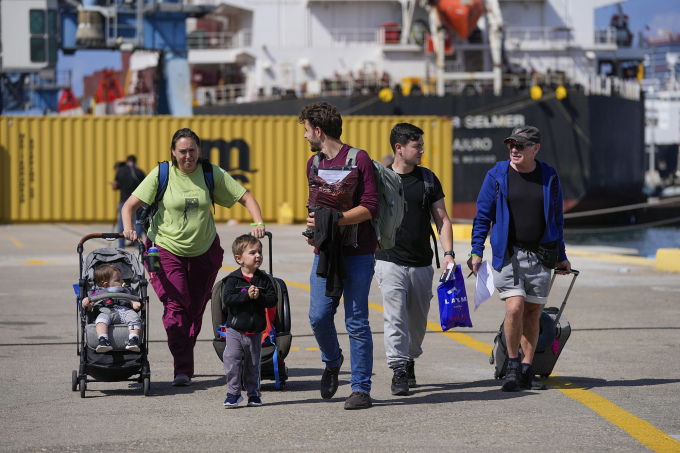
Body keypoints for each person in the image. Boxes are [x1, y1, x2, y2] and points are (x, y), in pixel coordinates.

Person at [121, 127, 266, 387]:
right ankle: (183, 368)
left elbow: (245, 197)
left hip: (204, 251)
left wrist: (258, 221)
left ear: (199, 150)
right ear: (173, 153)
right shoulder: (162, 173)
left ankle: (184, 359)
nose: (188, 156)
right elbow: (129, 205)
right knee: (176, 307)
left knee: (196, 309)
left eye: (192, 150)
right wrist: (128, 228)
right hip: (166, 250)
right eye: (182, 151)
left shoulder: (210, 172)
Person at [467, 125, 571, 392]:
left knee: (534, 313)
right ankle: (512, 366)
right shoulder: (497, 175)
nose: (514, 149)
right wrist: (476, 250)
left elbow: (557, 220)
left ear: (535, 148)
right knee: (514, 308)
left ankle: (527, 369)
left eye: (520, 145)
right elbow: (482, 216)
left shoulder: (549, 175)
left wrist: (561, 256)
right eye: (511, 144)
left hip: (541, 255)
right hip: (509, 253)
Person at [300, 101, 379, 410]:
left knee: (357, 321)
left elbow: (371, 206)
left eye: (306, 130)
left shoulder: (359, 159)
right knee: (318, 316)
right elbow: (313, 204)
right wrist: (314, 228)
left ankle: (360, 388)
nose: (305, 136)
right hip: (325, 253)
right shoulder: (313, 164)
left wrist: (331, 221)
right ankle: (333, 361)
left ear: (318, 130)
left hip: (359, 253)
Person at [375, 123, 455, 396]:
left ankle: (409, 358)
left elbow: (442, 219)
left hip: (422, 260)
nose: (422, 150)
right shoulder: (381, 179)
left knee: (418, 321)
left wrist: (448, 254)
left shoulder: (428, 179)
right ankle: (398, 369)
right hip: (388, 259)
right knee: (395, 317)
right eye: (416, 146)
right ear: (399, 148)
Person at [221, 234, 277, 408]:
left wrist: (259, 296)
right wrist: (246, 295)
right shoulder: (232, 280)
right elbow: (228, 300)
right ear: (239, 259)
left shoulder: (265, 280)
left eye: (259, 252)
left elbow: (272, 300)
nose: (258, 255)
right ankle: (233, 393)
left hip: (256, 330)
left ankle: (253, 394)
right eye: (252, 253)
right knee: (233, 359)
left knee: (253, 364)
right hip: (235, 329)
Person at [81, 264, 142, 353]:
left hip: (124, 310)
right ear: (105, 284)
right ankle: (103, 340)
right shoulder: (98, 292)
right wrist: (86, 304)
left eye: (121, 278)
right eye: (118, 280)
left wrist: (138, 305)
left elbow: (132, 302)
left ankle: (133, 340)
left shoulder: (125, 290)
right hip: (106, 311)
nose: (122, 281)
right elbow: (91, 306)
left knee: (135, 318)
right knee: (101, 320)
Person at [112, 155, 145, 248]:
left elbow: (114, 186)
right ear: (135, 162)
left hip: (124, 201)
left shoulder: (121, 171)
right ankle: (137, 245)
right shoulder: (139, 172)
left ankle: (121, 246)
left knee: (123, 224)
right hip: (137, 202)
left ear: (127, 162)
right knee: (138, 223)